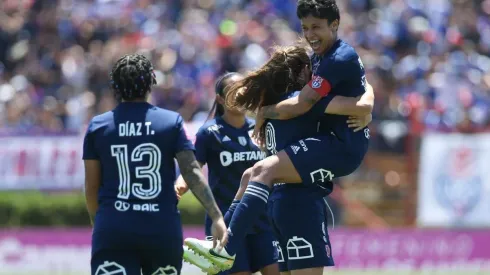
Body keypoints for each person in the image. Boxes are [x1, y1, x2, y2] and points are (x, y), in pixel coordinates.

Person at [185, 43, 373, 275]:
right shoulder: (301, 103)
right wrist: (366, 111)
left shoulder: (272, 106)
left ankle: (222, 245)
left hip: (276, 204)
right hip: (302, 201)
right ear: (304, 71)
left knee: (251, 174)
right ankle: (226, 249)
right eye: (312, 68)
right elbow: (359, 103)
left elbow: (250, 173)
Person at [82, 53, 227, 275]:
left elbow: (92, 187)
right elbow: (192, 173)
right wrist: (216, 216)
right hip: (161, 227)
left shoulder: (98, 126)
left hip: (113, 226)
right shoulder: (171, 122)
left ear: (115, 86)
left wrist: (98, 224)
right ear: (151, 82)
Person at [175, 72, 280, 275]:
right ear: (220, 99)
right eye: (233, 90)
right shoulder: (209, 132)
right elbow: (192, 169)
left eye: (244, 89)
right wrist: (178, 186)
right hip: (227, 223)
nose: (241, 94)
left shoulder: (260, 128)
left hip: (263, 221)